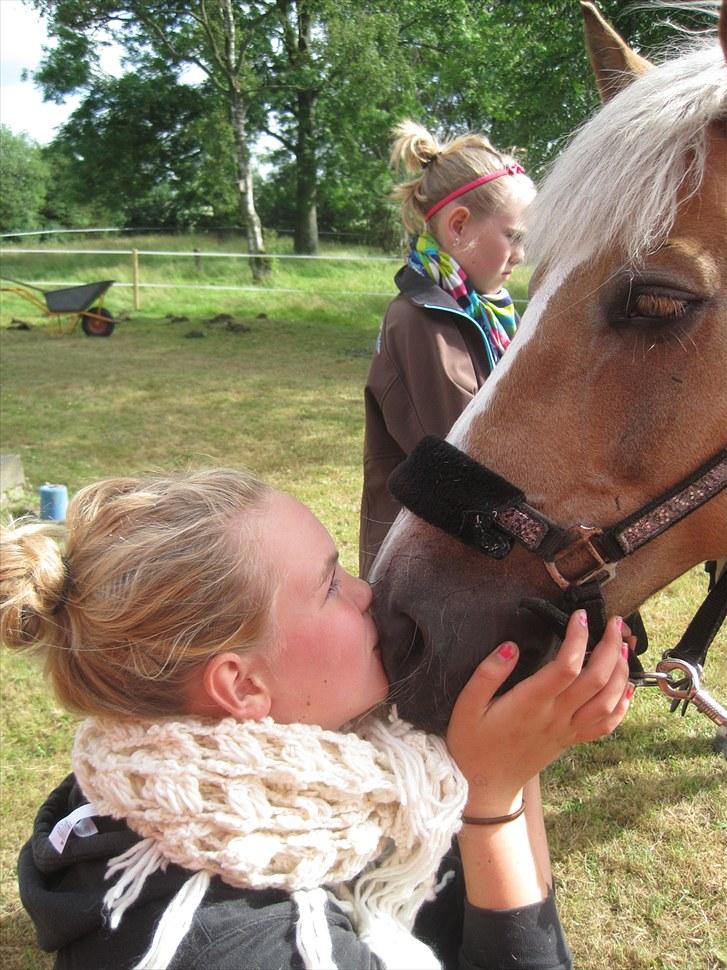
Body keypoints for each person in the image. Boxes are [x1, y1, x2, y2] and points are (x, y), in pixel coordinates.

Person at [1, 468, 633, 970]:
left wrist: (513, 754)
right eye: (330, 585)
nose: (367, 594)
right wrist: (490, 804)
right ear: (240, 684)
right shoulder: (231, 949)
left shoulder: (164, 788)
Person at [360, 121, 536, 578]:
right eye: (513, 236)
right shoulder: (421, 321)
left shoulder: (486, 315)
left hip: (468, 559)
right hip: (425, 577)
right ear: (459, 227)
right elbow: (471, 466)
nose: (521, 254)